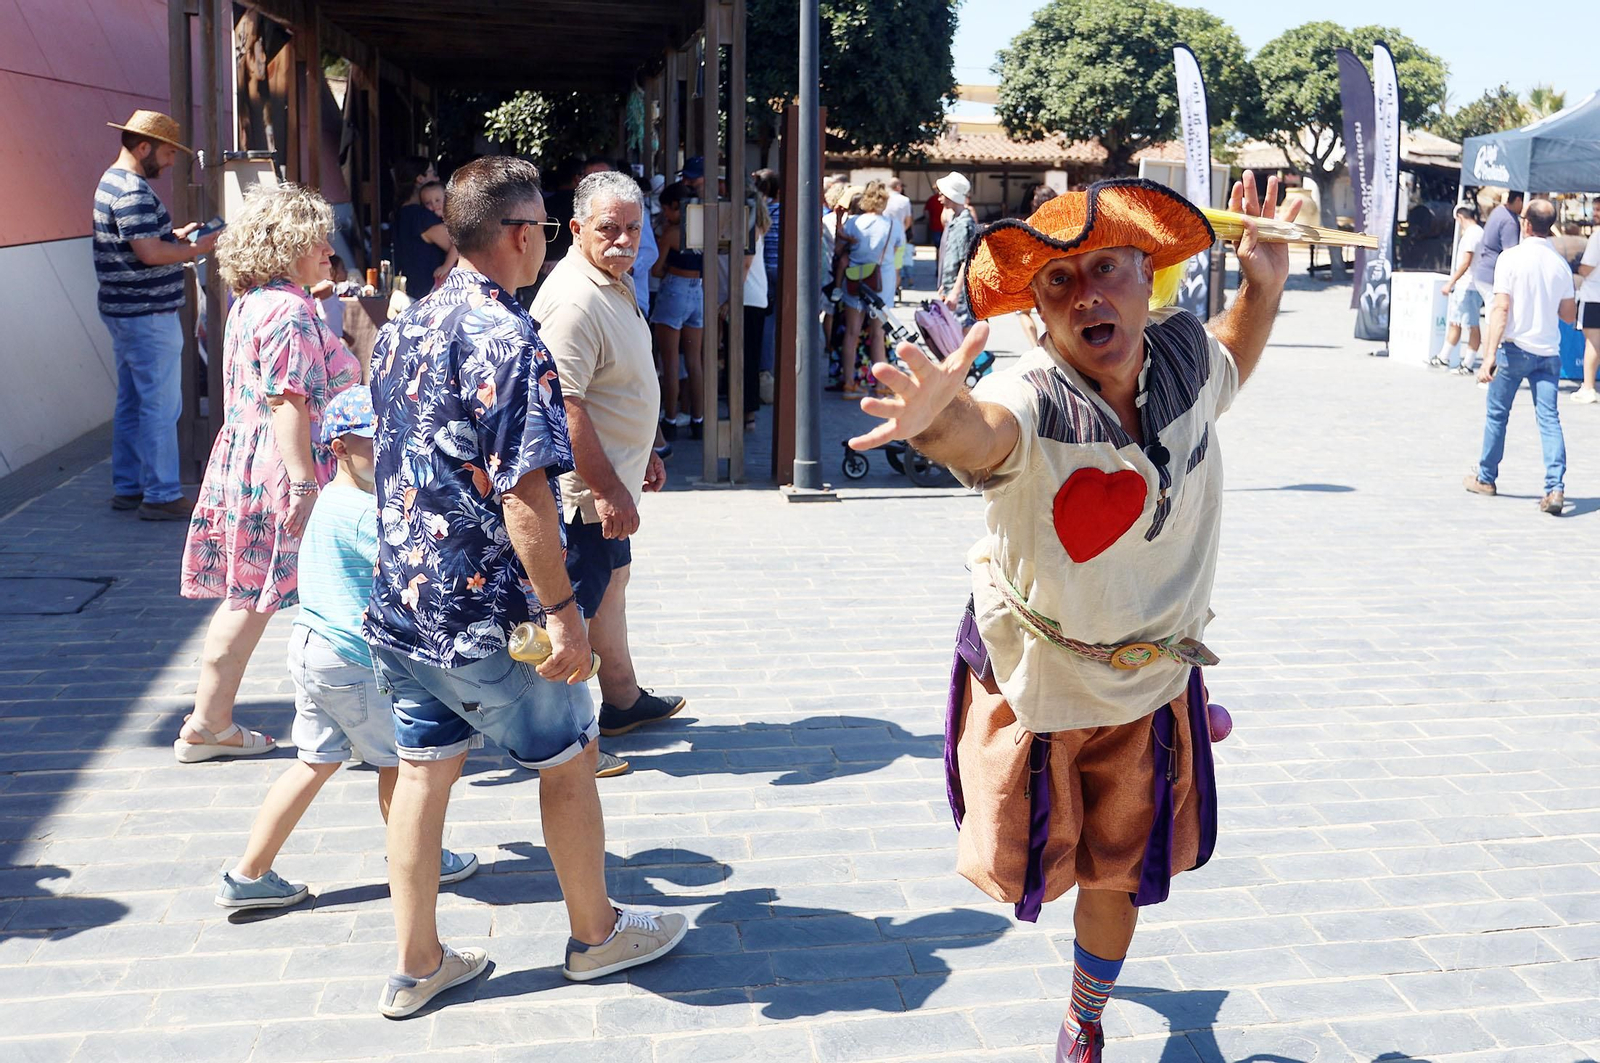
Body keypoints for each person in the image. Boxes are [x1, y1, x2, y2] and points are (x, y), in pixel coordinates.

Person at [848, 173, 1295, 1062]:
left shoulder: (1181, 358)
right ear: (1037, 316)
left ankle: (1084, 1016)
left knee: (1118, 872)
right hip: (1039, 685)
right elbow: (987, 433)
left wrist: (1265, 287)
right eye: (1058, 281)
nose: (1087, 292)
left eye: (1107, 268)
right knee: (1033, 860)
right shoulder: (1034, 390)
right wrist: (937, 422)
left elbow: (1232, 363)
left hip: (1151, 685)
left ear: (1149, 275)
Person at [366, 157, 687, 1019]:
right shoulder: (509, 338)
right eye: (544, 226)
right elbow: (526, 494)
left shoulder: (407, 324)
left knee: (424, 770)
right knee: (570, 755)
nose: (545, 240)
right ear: (519, 235)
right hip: (490, 612)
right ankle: (596, 932)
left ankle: (418, 960)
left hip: (406, 603)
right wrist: (563, 617)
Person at [214, 387, 479, 909]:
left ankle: (248, 873)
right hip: (354, 661)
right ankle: (421, 855)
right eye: (374, 445)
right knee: (400, 766)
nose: (390, 454)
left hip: (314, 651)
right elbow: (412, 572)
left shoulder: (331, 502)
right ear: (337, 449)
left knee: (312, 762)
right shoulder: (362, 513)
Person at [178, 183, 359, 763]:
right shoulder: (288, 311)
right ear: (286, 245)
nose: (329, 250)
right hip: (289, 466)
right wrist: (306, 482)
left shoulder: (254, 301)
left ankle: (210, 721)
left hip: (251, 462)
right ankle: (364, 720)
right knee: (323, 592)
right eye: (318, 240)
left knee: (249, 596)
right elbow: (290, 402)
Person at [532, 170, 688, 765]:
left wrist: (641, 449)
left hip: (610, 485)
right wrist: (606, 488)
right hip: (584, 497)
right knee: (571, 613)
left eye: (632, 228)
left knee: (612, 589)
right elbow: (562, 404)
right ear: (576, 229)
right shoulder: (575, 299)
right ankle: (557, 741)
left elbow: (611, 388)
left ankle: (621, 700)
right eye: (608, 229)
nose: (623, 240)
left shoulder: (609, 279)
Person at [95, 110, 219, 521]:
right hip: (148, 314)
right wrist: (197, 248)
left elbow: (143, 244)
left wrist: (173, 238)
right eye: (167, 153)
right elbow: (149, 254)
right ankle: (162, 494)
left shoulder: (112, 182)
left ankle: (128, 487)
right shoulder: (132, 191)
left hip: (125, 311)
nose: (169, 162)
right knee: (160, 406)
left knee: (133, 401)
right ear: (144, 146)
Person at [1465, 198, 1574, 516]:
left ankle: (1486, 478)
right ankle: (1555, 487)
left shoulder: (1510, 259)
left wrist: (1488, 357)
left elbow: (1500, 309)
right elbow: (1568, 314)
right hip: (1548, 352)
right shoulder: (1559, 264)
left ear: (1525, 223)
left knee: (1498, 415)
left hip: (1513, 350)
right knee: (1549, 419)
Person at [651, 182, 705, 440]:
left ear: (675, 207)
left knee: (670, 360)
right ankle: (699, 419)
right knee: (695, 361)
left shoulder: (672, 233)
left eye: (666, 209)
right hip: (699, 290)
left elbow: (656, 268)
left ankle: (670, 419)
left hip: (674, 288)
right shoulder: (704, 228)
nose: (665, 214)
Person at [836, 181, 895, 397]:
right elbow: (898, 250)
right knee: (878, 335)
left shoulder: (853, 223)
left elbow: (838, 248)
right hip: (880, 284)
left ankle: (849, 383)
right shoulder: (892, 224)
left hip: (854, 282)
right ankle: (880, 385)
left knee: (851, 334)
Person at [392, 162, 456, 299]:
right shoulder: (421, 216)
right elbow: (462, 245)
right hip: (430, 292)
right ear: (420, 179)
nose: (437, 178)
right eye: (433, 173)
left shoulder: (402, 214)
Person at [1435, 204, 1485, 374]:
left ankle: (1468, 363)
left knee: (1471, 325)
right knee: (1456, 322)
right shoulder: (1478, 232)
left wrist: (1451, 282)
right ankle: (1444, 356)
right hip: (1467, 285)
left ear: (1460, 217)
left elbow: (1466, 262)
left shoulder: (1472, 235)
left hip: (1468, 285)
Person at [1017, 185, 1060, 349]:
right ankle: (1052, 347)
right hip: (1055, 273)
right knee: (1051, 312)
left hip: (1033, 273)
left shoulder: (1030, 224)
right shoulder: (1060, 224)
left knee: (1024, 313)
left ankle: (1035, 348)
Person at [754, 168, 783, 402]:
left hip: (764, 271)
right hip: (782, 271)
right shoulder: (790, 212)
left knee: (768, 324)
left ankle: (765, 370)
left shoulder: (764, 211)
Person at [936, 172, 977, 326]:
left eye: (942, 194)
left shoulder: (963, 224)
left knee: (960, 337)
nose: (939, 198)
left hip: (959, 294)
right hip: (952, 288)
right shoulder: (955, 219)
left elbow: (966, 262)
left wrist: (955, 292)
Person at [1472, 190, 1524, 301]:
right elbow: (1510, 254)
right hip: (1493, 276)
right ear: (1518, 200)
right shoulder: (1509, 221)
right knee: (1497, 314)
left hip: (1483, 271)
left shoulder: (1498, 211)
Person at [1572, 199, 1600, 404]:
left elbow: (1587, 268)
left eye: (1599, 210)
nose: (1595, 213)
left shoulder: (1597, 237)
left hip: (1593, 296)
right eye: (1595, 209)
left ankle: (1588, 387)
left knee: (1592, 341)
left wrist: (1577, 266)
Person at [885, 177, 915, 289]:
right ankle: (892, 291)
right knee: (896, 267)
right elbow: (908, 221)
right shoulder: (905, 200)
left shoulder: (884, 198)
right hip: (899, 236)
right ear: (898, 187)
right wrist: (902, 229)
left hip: (884, 235)